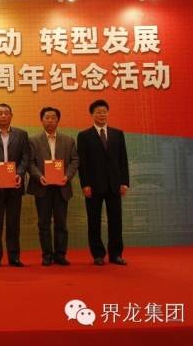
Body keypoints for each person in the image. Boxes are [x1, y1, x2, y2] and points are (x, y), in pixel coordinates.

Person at [77, 100, 129, 266]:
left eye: (104, 111)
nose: (102, 114)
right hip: (93, 186)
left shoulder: (117, 134)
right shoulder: (84, 136)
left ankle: (116, 254)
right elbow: (82, 163)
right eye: (98, 112)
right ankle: (98, 254)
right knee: (94, 221)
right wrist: (85, 184)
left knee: (116, 221)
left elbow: (123, 160)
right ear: (92, 114)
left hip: (114, 185)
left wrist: (124, 182)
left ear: (108, 113)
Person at [27, 107, 79, 266]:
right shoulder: (33, 141)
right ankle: (47, 255)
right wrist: (39, 176)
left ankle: (60, 255)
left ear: (58, 120)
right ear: (41, 120)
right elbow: (30, 162)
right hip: (42, 187)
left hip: (62, 187)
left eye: (53, 117)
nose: (50, 120)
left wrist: (67, 176)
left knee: (61, 223)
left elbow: (75, 161)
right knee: (43, 223)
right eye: (47, 117)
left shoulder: (69, 140)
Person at [0, 103, 30, 267]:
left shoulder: (22, 134)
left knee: (13, 223)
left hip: (15, 184)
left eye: (6, 113)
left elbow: (26, 157)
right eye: (0, 113)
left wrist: (19, 173)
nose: (3, 116)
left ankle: (14, 256)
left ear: (11, 116)